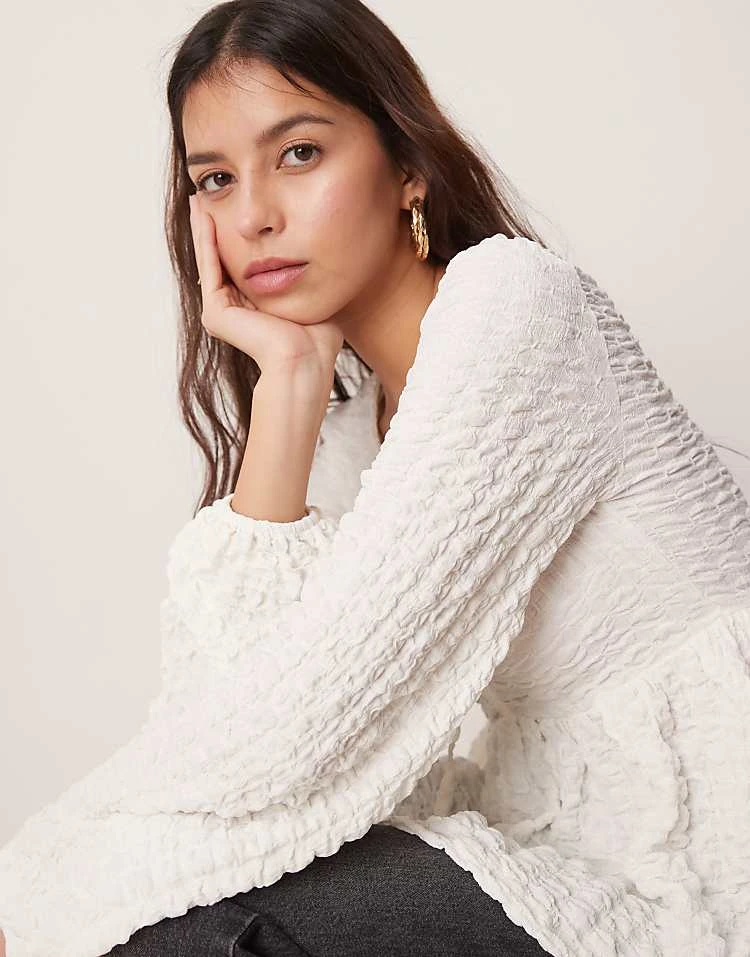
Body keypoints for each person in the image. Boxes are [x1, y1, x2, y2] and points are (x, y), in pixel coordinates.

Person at [1, 1, 749, 955]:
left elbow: (287, 737)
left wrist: (32, 887)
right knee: (175, 909)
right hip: (546, 849)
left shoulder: (517, 311)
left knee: (180, 928)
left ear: (408, 166)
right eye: (216, 179)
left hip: (693, 884)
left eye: (299, 153)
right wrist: (290, 383)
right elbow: (225, 726)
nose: (254, 215)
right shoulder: (355, 422)